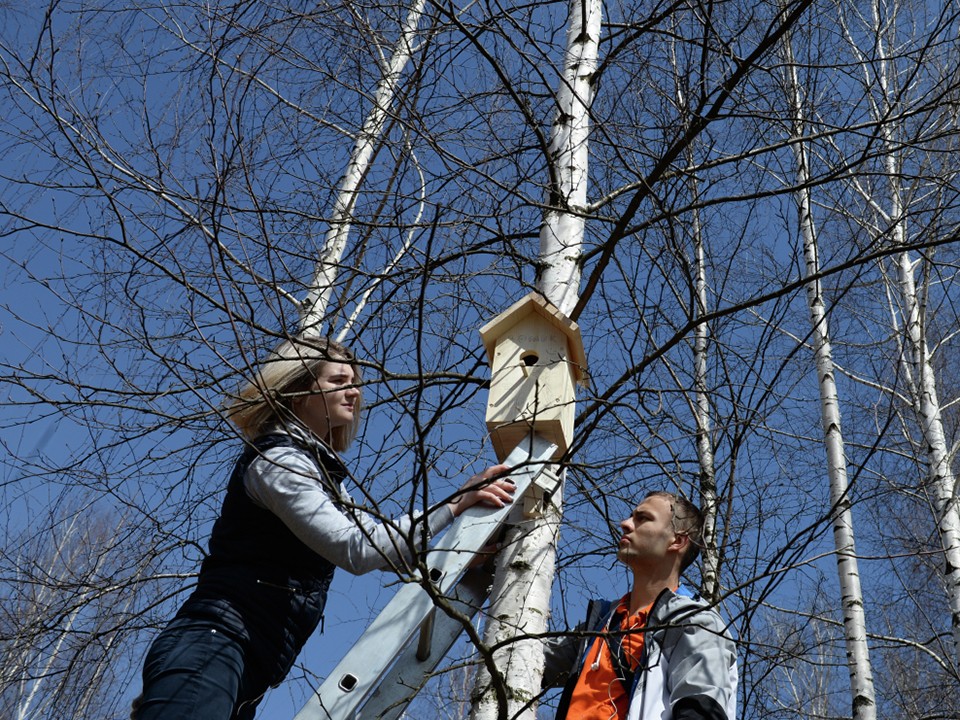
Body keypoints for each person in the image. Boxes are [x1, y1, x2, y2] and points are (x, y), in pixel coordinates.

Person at [132, 335, 515, 720]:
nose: (354, 393)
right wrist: (455, 502)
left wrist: (465, 553)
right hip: (215, 648)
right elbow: (359, 548)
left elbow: (382, 548)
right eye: (338, 381)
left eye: (356, 384)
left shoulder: (324, 479)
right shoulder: (279, 463)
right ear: (298, 390)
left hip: (246, 670)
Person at [542, 491, 738, 720]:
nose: (625, 524)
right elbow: (517, 661)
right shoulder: (602, 624)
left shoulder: (696, 623)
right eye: (630, 516)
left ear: (677, 541)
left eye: (642, 518)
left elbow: (702, 710)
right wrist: (489, 556)